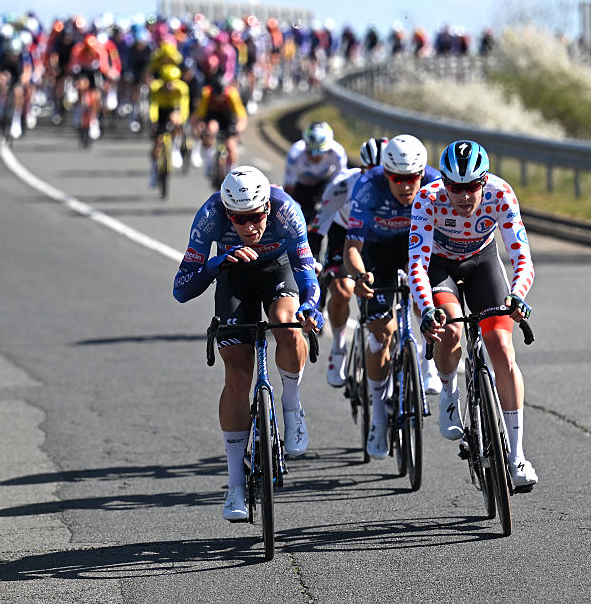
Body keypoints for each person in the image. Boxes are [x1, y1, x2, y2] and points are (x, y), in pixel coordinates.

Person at [173, 166, 322, 521]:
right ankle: (235, 486)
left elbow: (306, 272)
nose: (249, 227)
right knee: (238, 377)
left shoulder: (285, 207)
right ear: (227, 213)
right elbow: (181, 289)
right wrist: (216, 263)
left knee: (287, 327)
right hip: (233, 278)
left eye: (256, 217)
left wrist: (309, 307)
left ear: (266, 208)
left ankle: (291, 403)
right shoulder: (210, 215)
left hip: (278, 271)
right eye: (239, 219)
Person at [408, 140, 538, 489]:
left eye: (471, 187)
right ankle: (449, 392)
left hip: (483, 262)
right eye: (455, 187)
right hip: (440, 266)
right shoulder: (428, 198)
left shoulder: (501, 194)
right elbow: (417, 264)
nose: (463, 197)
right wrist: (427, 308)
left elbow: (522, 257)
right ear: (444, 183)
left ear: (484, 182)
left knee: (502, 346)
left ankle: (517, 455)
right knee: (449, 329)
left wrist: (517, 296)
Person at [344, 135, 439, 459]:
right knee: (381, 333)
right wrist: (359, 276)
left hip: (416, 247)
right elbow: (351, 249)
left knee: (424, 300)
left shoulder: (435, 182)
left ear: (422, 173)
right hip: (377, 253)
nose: (405, 185)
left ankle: (427, 368)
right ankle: (380, 416)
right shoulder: (368, 186)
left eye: (412, 178)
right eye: (397, 179)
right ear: (386, 174)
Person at [309, 137, 385, 387]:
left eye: (384, 172)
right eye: (369, 172)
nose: (376, 178)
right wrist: (312, 264)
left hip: (380, 237)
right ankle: (339, 346)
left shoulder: (403, 186)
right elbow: (319, 227)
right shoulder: (342, 185)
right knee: (342, 290)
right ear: (360, 168)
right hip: (344, 234)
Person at [283, 121, 347, 261]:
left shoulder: (338, 153)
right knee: (300, 219)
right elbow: (289, 189)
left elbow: (342, 184)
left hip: (327, 183)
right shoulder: (295, 154)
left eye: (321, 151)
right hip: (302, 185)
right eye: (311, 151)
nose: (316, 156)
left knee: (332, 216)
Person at [190, 72, 248, 185]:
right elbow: (199, 115)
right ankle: (209, 164)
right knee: (211, 129)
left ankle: (233, 174)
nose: (219, 98)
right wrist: (198, 126)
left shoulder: (232, 94)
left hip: (228, 119)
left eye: (221, 95)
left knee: (231, 146)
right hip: (213, 117)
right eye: (216, 95)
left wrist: (239, 128)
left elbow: (242, 116)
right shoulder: (206, 93)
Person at [147, 64, 190, 187]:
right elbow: (153, 105)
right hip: (160, 111)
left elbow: (184, 105)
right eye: (166, 82)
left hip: (173, 109)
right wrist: (154, 121)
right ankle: (154, 172)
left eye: (172, 82)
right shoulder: (156, 87)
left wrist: (182, 119)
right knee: (157, 142)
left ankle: (175, 149)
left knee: (176, 120)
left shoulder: (182, 88)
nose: (169, 86)